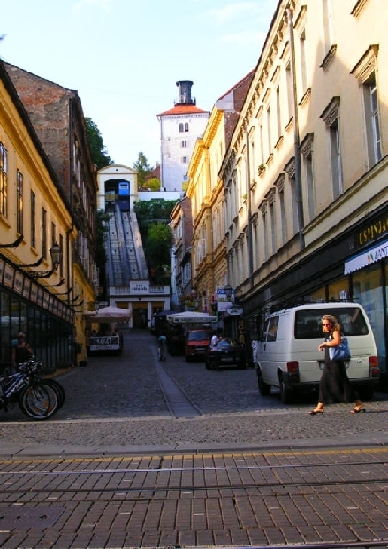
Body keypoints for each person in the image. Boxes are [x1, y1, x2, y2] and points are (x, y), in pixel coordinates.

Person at [309, 315, 364, 415]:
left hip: (336, 364)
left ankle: (358, 403)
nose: (325, 326)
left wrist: (325, 344)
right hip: (329, 364)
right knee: (323, 383)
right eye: (323, 324)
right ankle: (320, 407)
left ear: (332, 324)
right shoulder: (328, 333)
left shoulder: (335, 331)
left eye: (327, 324)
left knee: (343, 384)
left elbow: (336, 341)